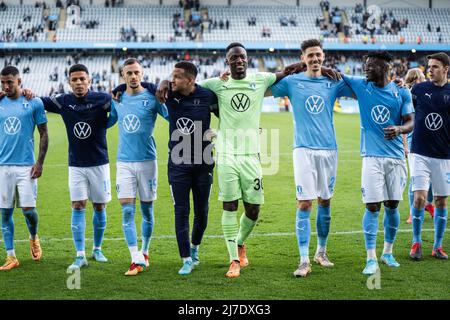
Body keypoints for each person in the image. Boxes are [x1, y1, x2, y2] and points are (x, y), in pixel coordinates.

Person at [157, 43, 306, 278]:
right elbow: (188, 84)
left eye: (242, 57)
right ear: (227, 62)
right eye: (233, 58)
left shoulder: (261, 79)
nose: (239, 61)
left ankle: (240, 242)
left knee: (254, 209)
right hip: (225, 154)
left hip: (252, 154)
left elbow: (285, 72)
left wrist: (308, 64)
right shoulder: (216, 84)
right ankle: (233, 260)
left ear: (247, 59)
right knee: (229, 205)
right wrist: (165, 83)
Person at [269, 39, 354, 277]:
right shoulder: (292, 82)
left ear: (324, 56)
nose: (315, 59)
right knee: (305, 202)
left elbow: (361, 88)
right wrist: (292, 68)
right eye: (310, 55)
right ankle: (304, 259)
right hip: (303, 149)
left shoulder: (333, 82)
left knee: (325, 201)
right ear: (303, 57)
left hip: (329, 149)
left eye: (318, 55)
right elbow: (265, 88)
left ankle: (321, 252)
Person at [32, 64, 112, 270]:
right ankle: (80, 254)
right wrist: (27, 92)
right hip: (76, 164)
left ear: (90, 81)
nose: (78, 83)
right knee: (77, 205)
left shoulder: (102, 99)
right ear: (69, 82)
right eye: (74, 79)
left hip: (99, 163)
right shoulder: (63, 102)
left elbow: (122, 103)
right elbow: (37, 101)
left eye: (82, 79)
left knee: (99, 206)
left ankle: (97, 248)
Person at [342, 51, 415, 275]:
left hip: (395, 158)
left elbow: (410, 121)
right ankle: (371, 257)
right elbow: (334, 74)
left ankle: (388, 252)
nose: (365, 69)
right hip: (371, 157)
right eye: (365, 65)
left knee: (392, 205)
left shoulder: (401, 92)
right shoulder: (362, 86)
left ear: (384, 68)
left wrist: (399, 129)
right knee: (372, 206)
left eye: (370, 66)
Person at [108, 58, 168, 276]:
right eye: (128, 73)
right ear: (123, 76)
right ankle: (135, 258)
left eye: (136, 73)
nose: (133, 77)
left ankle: (145, 250)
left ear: (142, 74)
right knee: (126, 210)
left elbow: (173, 117)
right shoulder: (117, 99)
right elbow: (108, 121)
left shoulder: (153, 98)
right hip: (124, 162)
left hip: (147, 162)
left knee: (147, 211)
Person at [0, 66, 48, 270]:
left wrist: (40, 162)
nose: (6, 86)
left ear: (20, 81)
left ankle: (33, 236)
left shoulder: (33, 102)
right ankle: (11, 256)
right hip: (3, 166)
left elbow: (44, 133)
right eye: (2, 82)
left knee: (29, 211)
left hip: (27, 167)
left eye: (9, 82)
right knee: (5, 213)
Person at [409, 52, 450, 261]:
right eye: (429, 66)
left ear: (446, 69)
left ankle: (437, 246)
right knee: (419, 198)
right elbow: (409, 114)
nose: (430, 70)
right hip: (419, 152)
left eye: (435, 67)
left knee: (442, 201)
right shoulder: (418, 89)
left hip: (444, 155)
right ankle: (416, 243)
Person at [403, 68, 434, 224]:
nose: (425, 79)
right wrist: (405, 145)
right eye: (422, 77)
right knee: (416, 179)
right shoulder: (408, 95)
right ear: (415, 79)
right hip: (413, 140)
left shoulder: (427, 93)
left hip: (429, 139)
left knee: (432, 177)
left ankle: (427, 204)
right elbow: (403, 121)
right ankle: (412, 212)